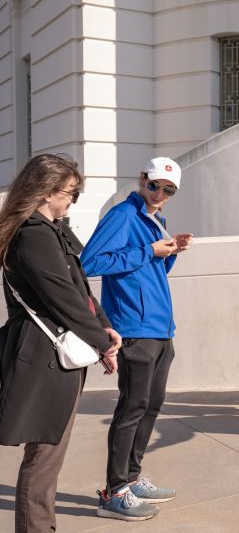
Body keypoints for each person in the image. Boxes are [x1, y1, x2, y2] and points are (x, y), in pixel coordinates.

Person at [0, 154, 122, 532]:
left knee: (50, 453)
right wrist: (101, 341)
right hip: (43, 357)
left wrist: (104, 327)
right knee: (44, 455)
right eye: (71, 193)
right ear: (47, 190)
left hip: (58, 354)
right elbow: (61, 297)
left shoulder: (50, 229)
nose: (73, 200)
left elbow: (79, 290)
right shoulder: (32, 234)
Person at [82, 157, 193, 520]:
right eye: (155, 185)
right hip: (133, 328)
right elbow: (90, 263)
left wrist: (169, 251)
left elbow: (150, 271)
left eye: (168, 190)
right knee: (132, 407)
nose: (160, 193)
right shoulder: (122, 216)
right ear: (142, 179)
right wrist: (149, 250)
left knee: (151, 404)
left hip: (161, 328)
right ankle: (114, 491)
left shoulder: (154, 220)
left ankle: (131, 476)